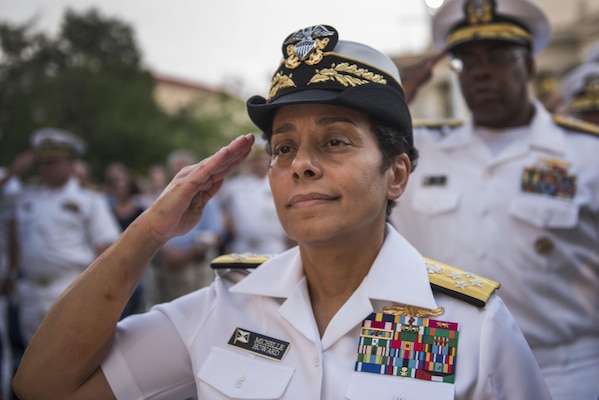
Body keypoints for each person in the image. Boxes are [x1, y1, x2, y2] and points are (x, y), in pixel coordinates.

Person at [13, 25, 551, 399]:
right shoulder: (224, 309)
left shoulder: (467, 325)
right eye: (284, 148)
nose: (302, 165)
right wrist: (150, 231)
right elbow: (44, 385)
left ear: (396, 174)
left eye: (336, 141)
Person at [388, 1, 599, 399]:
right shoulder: (415, 151)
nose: (481, 71)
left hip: (561, 368)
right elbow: (342, 147)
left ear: (531, 66)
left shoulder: (587, 154)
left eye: (499, 57)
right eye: (467, 61)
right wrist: (391, 93)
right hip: (429, 358)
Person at [1, 128, 122, 346]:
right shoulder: (28, 196)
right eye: (43, 162)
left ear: (70, 163)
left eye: (54, 162)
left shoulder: (88, 198)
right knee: (32, 363)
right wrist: (13, 172)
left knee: (68, 358)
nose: (47, 168)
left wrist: (90, 289)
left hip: (68, 287)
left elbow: (106, 245)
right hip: (30, 292)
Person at [148, 150, 225, 304]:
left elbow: (215, 235)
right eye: (177, 169)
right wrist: (168, 252)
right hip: (167, 267)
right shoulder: (160, 198)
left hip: (195, 268)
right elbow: (149, 230)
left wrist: (185, 255)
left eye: (186, 168)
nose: (182, 173)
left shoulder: (207, 199)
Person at [218, 135, 293, 254]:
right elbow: (224, 211)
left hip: (274, 248)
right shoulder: (236, 186)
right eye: (256, 159)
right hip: (243, 248)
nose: (260, 162)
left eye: (263, 158)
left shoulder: (281, 184)